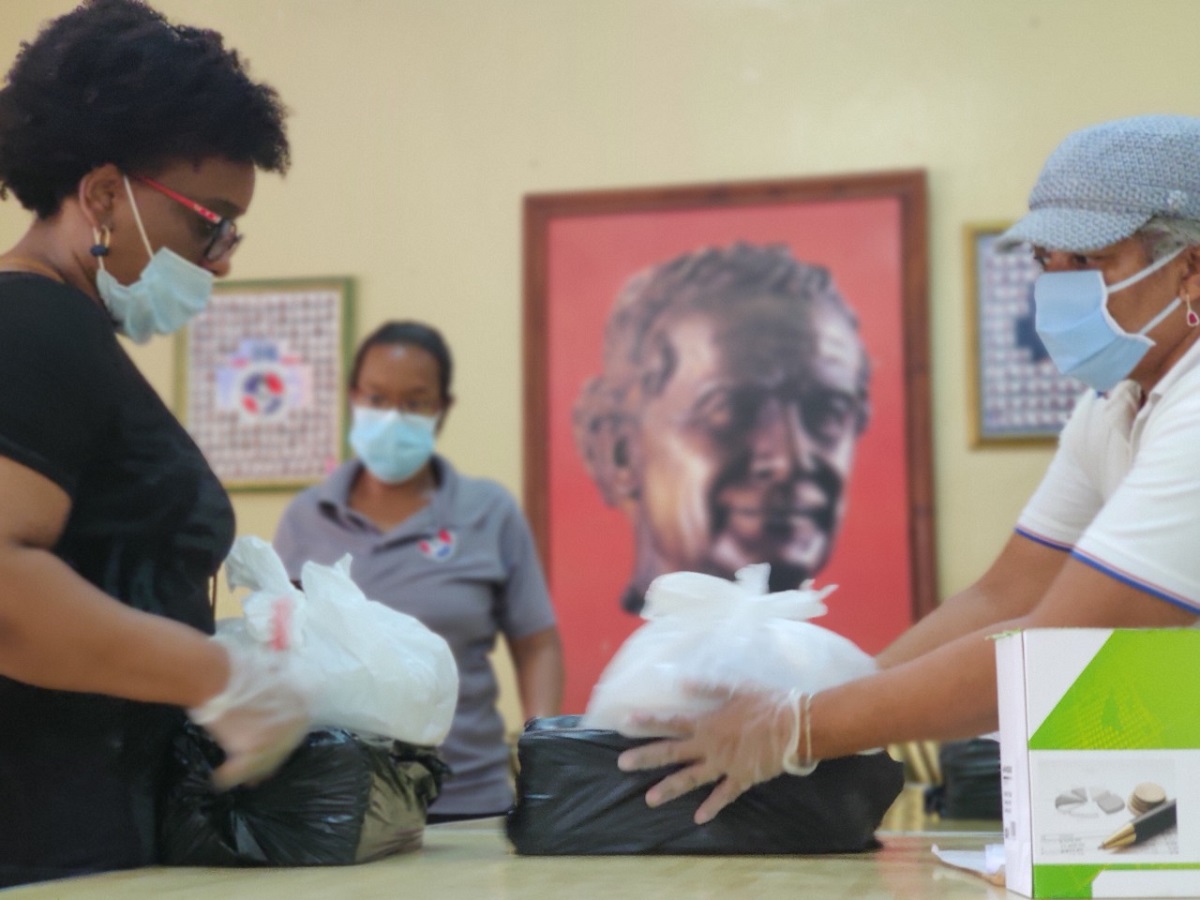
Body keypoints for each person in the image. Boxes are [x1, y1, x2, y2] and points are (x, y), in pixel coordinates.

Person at [617, 114, 1200, 825]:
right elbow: (1003, 595)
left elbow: (1059, 643)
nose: (1058, 286)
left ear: (1190, 268)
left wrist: (804, 728)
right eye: (1047, 261)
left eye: (1089, 262)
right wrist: (832, 693)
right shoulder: (1115, 405)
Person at [0, 0, 312, 887]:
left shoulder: (71, 336)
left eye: (233, 231)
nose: (220, 258)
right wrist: (216, 674)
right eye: (207, 221)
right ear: (102, 196)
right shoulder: (29, 328)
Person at [273, 320, 565, 820]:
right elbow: (280, 650)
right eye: (377, 398)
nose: (392, 418)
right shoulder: (306, 518)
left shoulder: (488, 511)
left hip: (469, 802)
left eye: (415, 403)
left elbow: (536, 643)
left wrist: (545, 756)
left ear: (442, 410)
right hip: (338, 807)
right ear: (352, 397)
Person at [573, 242, 871, 613]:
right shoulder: (640, 671)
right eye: (733, 410)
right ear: (618, 451)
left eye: (827, 413)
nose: (789, 460)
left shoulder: (838, 663)